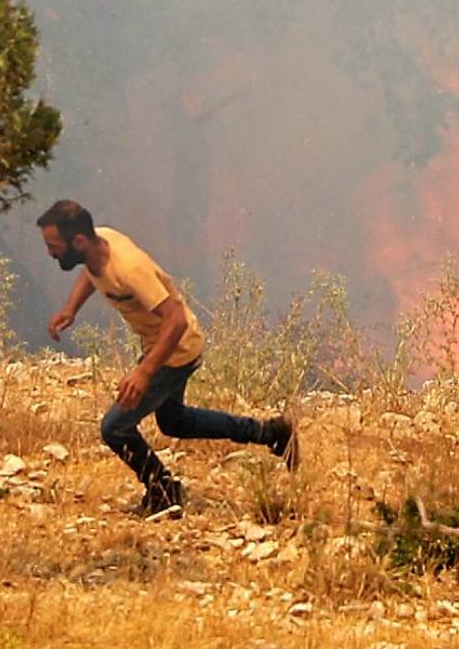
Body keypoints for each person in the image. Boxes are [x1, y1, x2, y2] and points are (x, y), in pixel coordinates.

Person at [36, 199, 298, 517]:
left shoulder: (129, 269)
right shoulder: (97, 243)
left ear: (77, 241)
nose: (50, 253)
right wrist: (70, 309)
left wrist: (145, 372)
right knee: (175, 421)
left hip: (175, 349)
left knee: (115, 428)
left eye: (54, 246)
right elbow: (92, 274)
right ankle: (271, 432)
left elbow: (176, 320)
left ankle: (163, 490)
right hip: (161, 345)